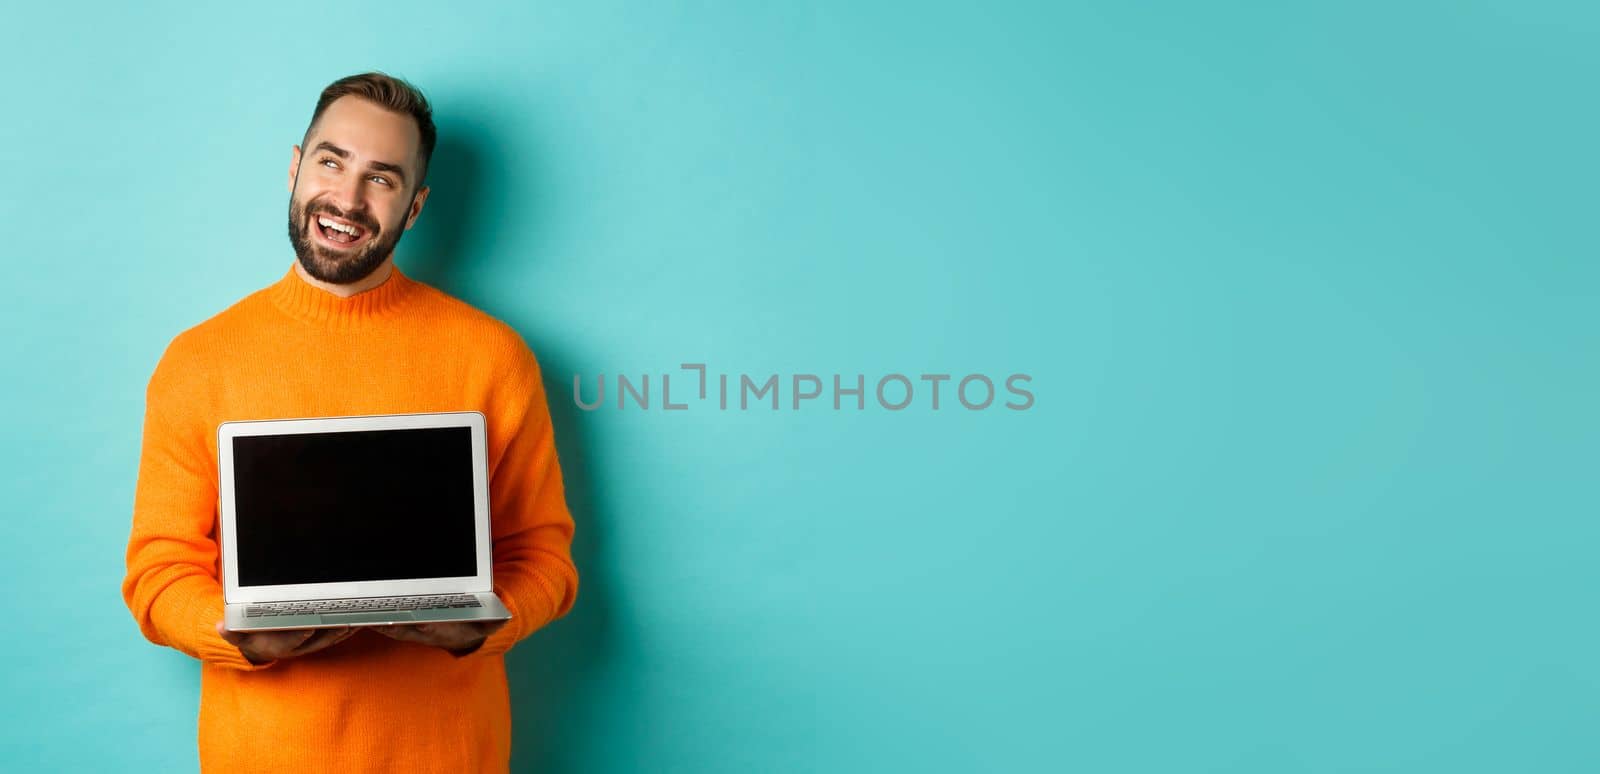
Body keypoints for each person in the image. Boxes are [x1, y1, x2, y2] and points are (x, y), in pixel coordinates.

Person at [120, 71, 578, 773]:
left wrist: (483, 624)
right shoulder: (199, 361)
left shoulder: (494, 357)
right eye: (332, 161)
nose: (348, 198)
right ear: (296, 168)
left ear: (416, 207)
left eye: (382, 178)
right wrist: (239, 635)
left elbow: (546, 558)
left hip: (450, 756)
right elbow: (158, 570)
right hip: (262, 756)